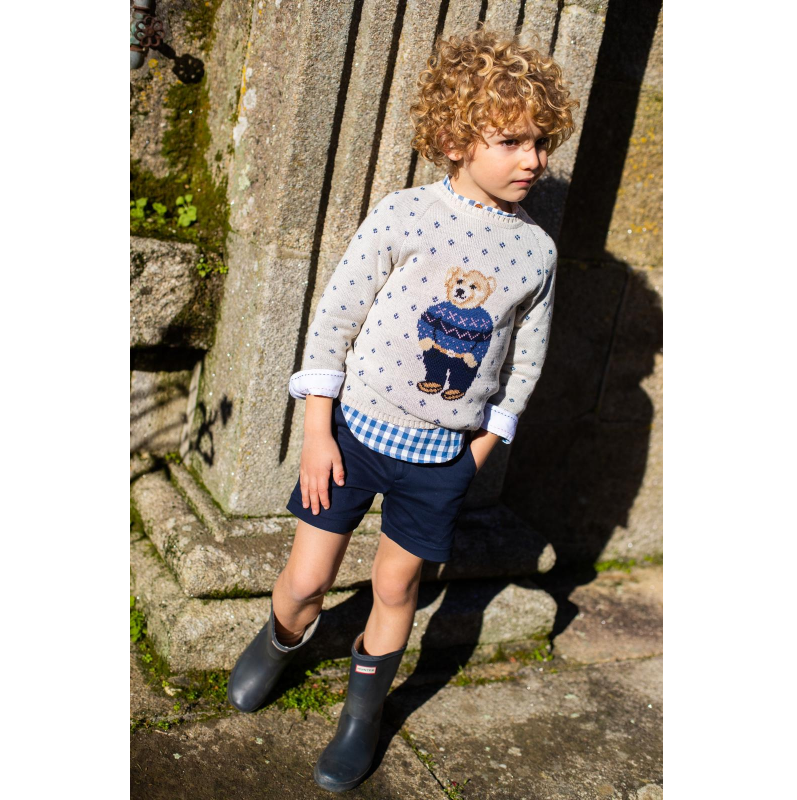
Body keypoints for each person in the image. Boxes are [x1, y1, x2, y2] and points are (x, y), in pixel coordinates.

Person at [227, 23, 579, 793]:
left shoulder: (537, 253)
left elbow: (524, 364)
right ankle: (280, 641)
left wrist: (475, 454)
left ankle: (362, 716)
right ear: (455, 139)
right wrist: (317, 431)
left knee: (395, 588)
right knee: (307, 578)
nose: (534, 160)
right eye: (512, 141)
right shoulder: (404, 214)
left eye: (541, 142)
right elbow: (335, 320)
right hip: (351, 437)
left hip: (440, 459)